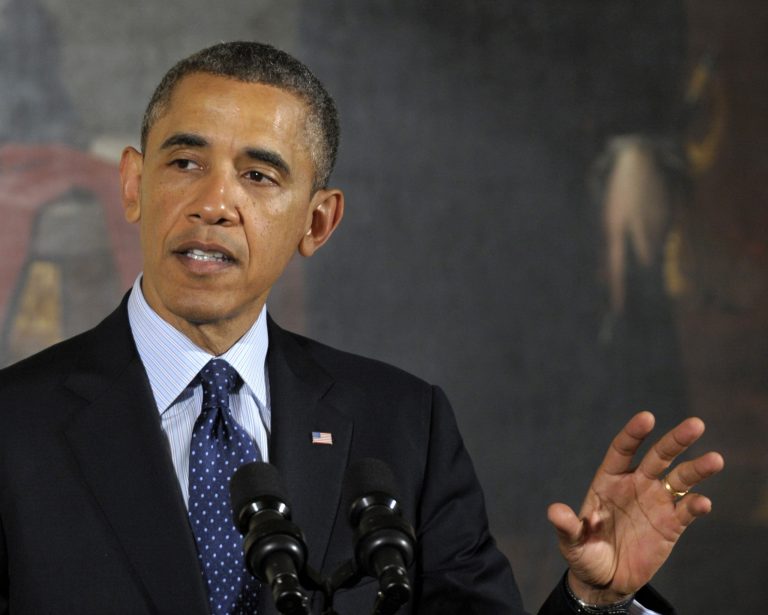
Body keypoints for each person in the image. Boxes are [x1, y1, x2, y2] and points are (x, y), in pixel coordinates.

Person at [0, 41, 723, 615]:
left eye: (258, 176)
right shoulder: (13, 424)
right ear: (133, 184)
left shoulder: (405, 424)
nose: (214, 203)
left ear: (318, 221)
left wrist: (595, 603)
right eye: (185, 161)